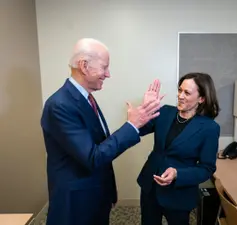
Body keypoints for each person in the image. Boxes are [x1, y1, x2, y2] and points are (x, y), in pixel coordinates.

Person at [40, 38, 161, 225]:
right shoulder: (60, 105)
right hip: (75, 205)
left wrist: (139, 120)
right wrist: (132, 126)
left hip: (94, 196)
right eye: (104, 67)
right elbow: (93, 157)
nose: (108, 74)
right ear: (84, 66)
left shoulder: (85, 98)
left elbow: (99, 145)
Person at [137, 72, 221, 225]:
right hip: (150, 187)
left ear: (201, 99)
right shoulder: (165, 112)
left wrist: (177, 174)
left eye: (187, 93)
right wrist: (146, 109)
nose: (180, 96)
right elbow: (139, 130)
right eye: (180, 90)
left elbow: (206, 168)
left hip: (179, 194)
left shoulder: (209, 128)